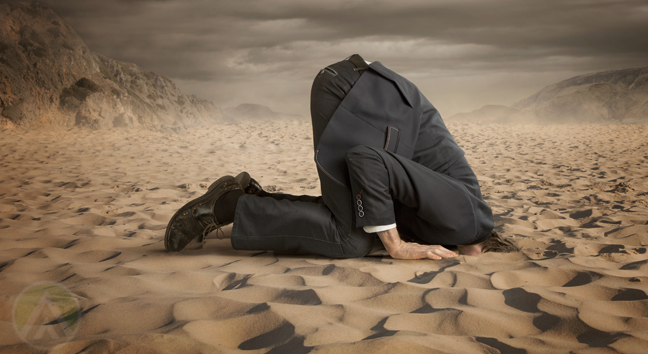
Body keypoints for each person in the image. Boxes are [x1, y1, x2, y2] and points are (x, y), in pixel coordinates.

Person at [164, 55, 517, 259]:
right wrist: (395, 247)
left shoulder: (450, 223)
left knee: (358, 223)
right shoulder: (467, 221)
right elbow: (367, 161)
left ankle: (249, 200)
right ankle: (224, 207)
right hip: (354, 94)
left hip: (363, 94)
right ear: (484, 248)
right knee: (352, 238)